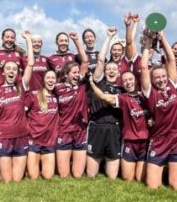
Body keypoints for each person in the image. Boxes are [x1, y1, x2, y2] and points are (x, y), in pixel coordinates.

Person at [140, 32, 177, 190]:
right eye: (157, 77)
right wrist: (147, 44)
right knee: (152, 186)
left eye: (163, 76)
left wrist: (162, 37)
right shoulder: (150, 92)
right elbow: (143, 66)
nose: (161, 79)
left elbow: (171, 59)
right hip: (159, 140)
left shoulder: (173, 85)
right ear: (152, 80)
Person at [88, 70, 149, 182]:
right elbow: (102, 96)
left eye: (130, 79)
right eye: (125, 81)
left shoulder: (146, 96)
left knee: (140, 179)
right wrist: (92, 83)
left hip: (145, 141)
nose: (128, 82)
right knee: (127, 178)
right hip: (130, 140)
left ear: (136, 81)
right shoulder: (122, 97)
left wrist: (151, 120)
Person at [0, 32, 34, 182]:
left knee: (17, 180)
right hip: (4, 136)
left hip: (21, 135)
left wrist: (28, 40)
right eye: (8, 69)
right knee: (7, 180)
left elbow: (30, 64)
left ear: (18, 73)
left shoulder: (21, 86)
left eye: (14, 69)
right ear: (2, 71)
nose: (11, 71)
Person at [86, 27, 124, 179]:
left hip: (114, 130)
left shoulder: (122, 88)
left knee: (112, 176)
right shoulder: (99, 81)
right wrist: (108, 37)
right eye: (109, 68)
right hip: (96, 127)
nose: (111, 71)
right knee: (91, 175)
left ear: (119, 72)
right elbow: (101, 59)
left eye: (114, 69)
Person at [54, 33, 90, 178]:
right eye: (74, 72)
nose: (77, 75)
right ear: (66, 74)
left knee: (77, 175)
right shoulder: (57, 88)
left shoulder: (81, 84)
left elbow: (85, 61)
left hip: (80, 129)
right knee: (63, 175)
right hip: (64, 130)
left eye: (78, 72)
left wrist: (76, 41)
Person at [25, 66, 59, 180]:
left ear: (56, 80)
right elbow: (22, 113)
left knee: (48, 176)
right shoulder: (33, 95)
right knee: (33, 177)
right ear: (43, 80)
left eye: (53, 78)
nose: (50, 80)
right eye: (48, 78)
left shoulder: (57, 96)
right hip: (34, 139)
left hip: (49, 141)